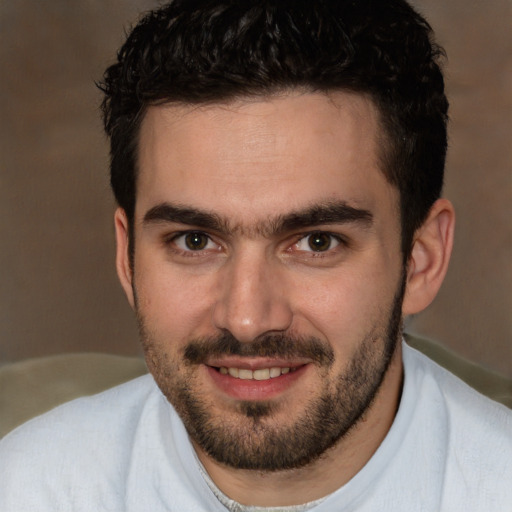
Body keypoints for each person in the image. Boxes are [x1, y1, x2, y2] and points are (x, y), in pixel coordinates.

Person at [1, 0, 510, 510]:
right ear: (127, 255)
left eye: (317, 242)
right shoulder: (31, 488)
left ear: (420, 259)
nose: (246, 318)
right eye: (194, 241)